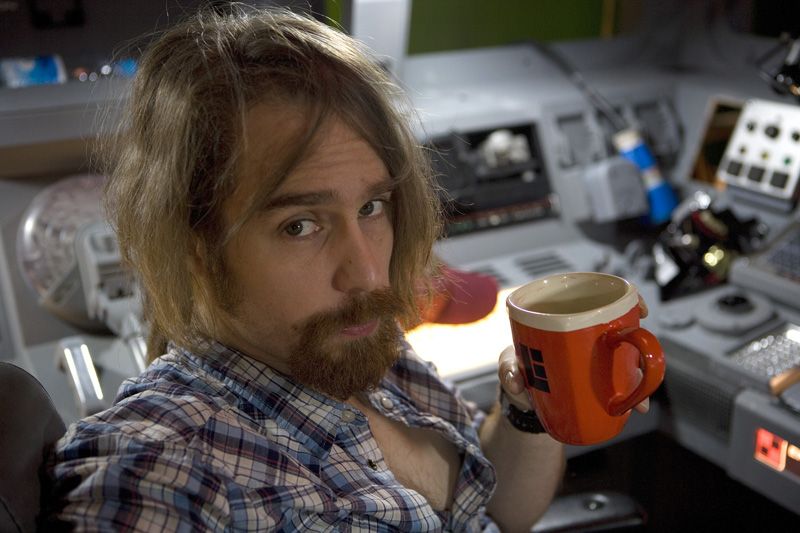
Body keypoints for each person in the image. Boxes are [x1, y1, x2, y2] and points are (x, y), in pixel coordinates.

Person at [45, 6, 646, 531]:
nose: (367, 276)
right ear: (195, 248)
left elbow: (498, 512)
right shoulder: (165, 466)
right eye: (300, 225)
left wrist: (527, 411)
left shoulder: (364, 349)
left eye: (371, 207)